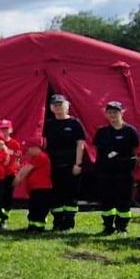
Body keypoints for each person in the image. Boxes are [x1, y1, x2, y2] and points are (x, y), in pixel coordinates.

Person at [89, 100, 139, 236]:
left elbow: (136, 150)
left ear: (122, 112)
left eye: (115, 112)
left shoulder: (130, 131)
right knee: (106, 199)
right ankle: (108, 226)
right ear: (106, 114)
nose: (113, 115)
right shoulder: (102, 132)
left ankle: (122, 227)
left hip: (125, 171)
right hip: (106, 171)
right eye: (110, 112)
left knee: (124, 200)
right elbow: (98, 149)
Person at [41, 94, 88, 231]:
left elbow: (80, 144)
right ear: (51, 108)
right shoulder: (49, 124)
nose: (58, 108)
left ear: (67, 106)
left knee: (71, 195)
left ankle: (68, 223)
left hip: (71, 165)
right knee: (56, 195)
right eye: (55, 105)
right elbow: (44, 144)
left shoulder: (74, 123)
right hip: (53, 165)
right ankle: (57, 222)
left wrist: (78, 164)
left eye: (60, 105)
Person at [13, 138, 52, 232]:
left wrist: (18, 178)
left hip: (42, 189)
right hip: (35, 189)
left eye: (29, 148)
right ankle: (32, 226)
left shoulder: (41, 157)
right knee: (33, 208)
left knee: (40, 208)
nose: (27, 151)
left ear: (35, 148)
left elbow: (26, 169)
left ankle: (39, 227)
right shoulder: (35, 158)